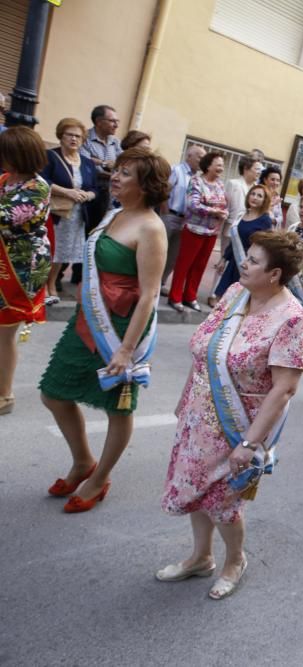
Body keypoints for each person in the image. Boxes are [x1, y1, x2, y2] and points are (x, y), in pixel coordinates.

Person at [158, 230, 303, 599]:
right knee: (196, 490)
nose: (244, 263)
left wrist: (249, 442)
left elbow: (284, 388)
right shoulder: (235, 294)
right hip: (199, 416)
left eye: (255, 260)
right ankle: (200, 557)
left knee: (224, 504)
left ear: (274, 274)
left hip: (238, 426)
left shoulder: (292, 319)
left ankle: (235, 560)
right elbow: (207, 349)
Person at [40, 148, 168, 512]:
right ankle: (83, 460)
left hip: (122, 327)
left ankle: (100, 477)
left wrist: (126, 349)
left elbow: (149, 295)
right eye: (118, 169)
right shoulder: (115, 212)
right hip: (88, 319)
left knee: (118, 407)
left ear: (144, 185)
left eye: (125, 173)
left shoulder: (151, 227)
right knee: (53, 393)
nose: (115, 176)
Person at [0, 127, 51, 416]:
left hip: (21, 268)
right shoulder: (6, 180)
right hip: (4, 261)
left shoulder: (36, 187)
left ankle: (4, 395)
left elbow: (7, 217)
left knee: (4, 333)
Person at [41, 118, 98, 305]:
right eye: (70, 135)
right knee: (51, 251)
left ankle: (52, 284)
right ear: (61, 136)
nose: (74, 139)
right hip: (56, 214)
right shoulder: (50, 156)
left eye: (78, 136)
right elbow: (42, 181)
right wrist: (67, 192)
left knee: (63, 253)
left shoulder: (88, 163)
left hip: (77, 215)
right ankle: (44, 287)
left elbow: (95, 189)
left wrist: (87, 195)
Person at [167, 152, 228, 312]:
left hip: (211, 232)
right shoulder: (196, 181)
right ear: (208, 166)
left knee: (200, 265)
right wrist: (214, 211)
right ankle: (175, 297)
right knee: (184, 264)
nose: (221, 168)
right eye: (218, 164)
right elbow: (193, 205)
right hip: (194, 230)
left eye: (222, 165)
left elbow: (223, 203)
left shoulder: (220, 184)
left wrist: (223, 211)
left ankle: (190, 296)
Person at [211, 184, 273, 299]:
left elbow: (266, 247)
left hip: (249, 265)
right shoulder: (241, 215)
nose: (254, 197)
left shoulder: (265, 221)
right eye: (253, 194)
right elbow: (234, 240)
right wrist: (224, 258)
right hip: (234, 262)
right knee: (222, 298)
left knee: (238, 300)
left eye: (259, 196)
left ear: (265, 200)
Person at [160, 144, 206, 289]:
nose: (202, 160)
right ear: (189, 156)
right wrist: (166, 212)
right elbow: (164, 191)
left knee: (173, 255)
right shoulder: (176, 170)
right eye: (200, 156)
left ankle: (161, 283)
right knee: (160, 251)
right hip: (170, 216)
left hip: (186, 221)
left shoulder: (198, 179)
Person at [80, 105, 122, 225]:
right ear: (98, 122)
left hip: (111, 193)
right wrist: (107, 165)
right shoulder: (84, 139)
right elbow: (88, 168)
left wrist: (100, 163)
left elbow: (122, 165)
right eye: (112, 121)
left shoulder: (115, 142)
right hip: (91, 193)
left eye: (117, 121)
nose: (116, 125)